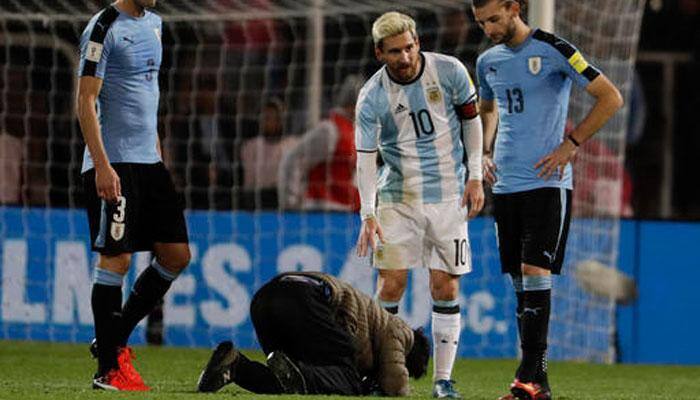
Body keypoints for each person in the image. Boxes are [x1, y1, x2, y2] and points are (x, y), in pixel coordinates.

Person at [471, 1, 624, 399]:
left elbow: (610, 97)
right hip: (505, 186)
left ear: (514, 8)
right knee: (521, 283)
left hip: (546, 183)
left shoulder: (555, 48)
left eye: (493, 19)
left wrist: (570, 144)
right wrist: (484, 152)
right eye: (482, 22)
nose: (488, 28)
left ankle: (530, 375)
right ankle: (535, 382)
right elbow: (487, 109)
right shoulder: (487, 61)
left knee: (534, 270)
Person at [354, 11, 485, 399]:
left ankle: (443, 381)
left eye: (410, 47)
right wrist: (368, 212)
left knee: (445, 287)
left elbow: (471, 122)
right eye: (395, 51)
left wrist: (475, 174)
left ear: (418, 42)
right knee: (391, 282)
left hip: (449, 197)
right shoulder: (372, 96)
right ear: (380, 52)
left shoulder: (450, 71)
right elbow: (365, 158)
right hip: (398, 198)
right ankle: (382, 374)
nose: (406, 57)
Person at [77, 0, 191, 391]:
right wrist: (102, 165)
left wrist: (157, 155)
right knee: (118, 258)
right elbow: (85, 100)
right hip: (114, 161)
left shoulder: (156, 24)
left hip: (149, 162)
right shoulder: (103, 26)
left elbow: (147, 95)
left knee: (177, 255)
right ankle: (107, 369)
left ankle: (112, 335)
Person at [196, 272, 430, 396]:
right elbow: (395, 379)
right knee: (348, 382)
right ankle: (298, 376)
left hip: (265, 299)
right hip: (304, 299)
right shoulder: (400, 331)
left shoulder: (372, 327)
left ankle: (235, 367)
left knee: (289, 382)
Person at [278, 74, 364, 211]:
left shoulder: (354, 133)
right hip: (321, 209)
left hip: (346, 211)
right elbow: (292, 160)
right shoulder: (329, 130)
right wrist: (290, 203)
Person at [240, 97, 298, 208]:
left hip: (285, 200)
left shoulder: (293, 145)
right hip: (259, 200)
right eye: (266, 118)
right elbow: (249, 185)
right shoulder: (251, 147)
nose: (270, 122)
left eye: (275, 118)